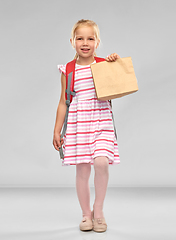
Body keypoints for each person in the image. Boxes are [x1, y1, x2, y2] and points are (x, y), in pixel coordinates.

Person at [53, 19, 120, 232]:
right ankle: (86, 214)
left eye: (90, 38)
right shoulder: (69, 70)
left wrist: (114, 62)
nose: (85, 42)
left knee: (101, 162)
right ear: (72, 41)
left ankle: (98, 210)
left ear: (97, 42)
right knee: (82, 170)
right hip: (78, 125)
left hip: (101, 121)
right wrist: (56, 130)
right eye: (80, 38)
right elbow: (64, 101)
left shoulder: (103, 65)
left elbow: (118, 84)